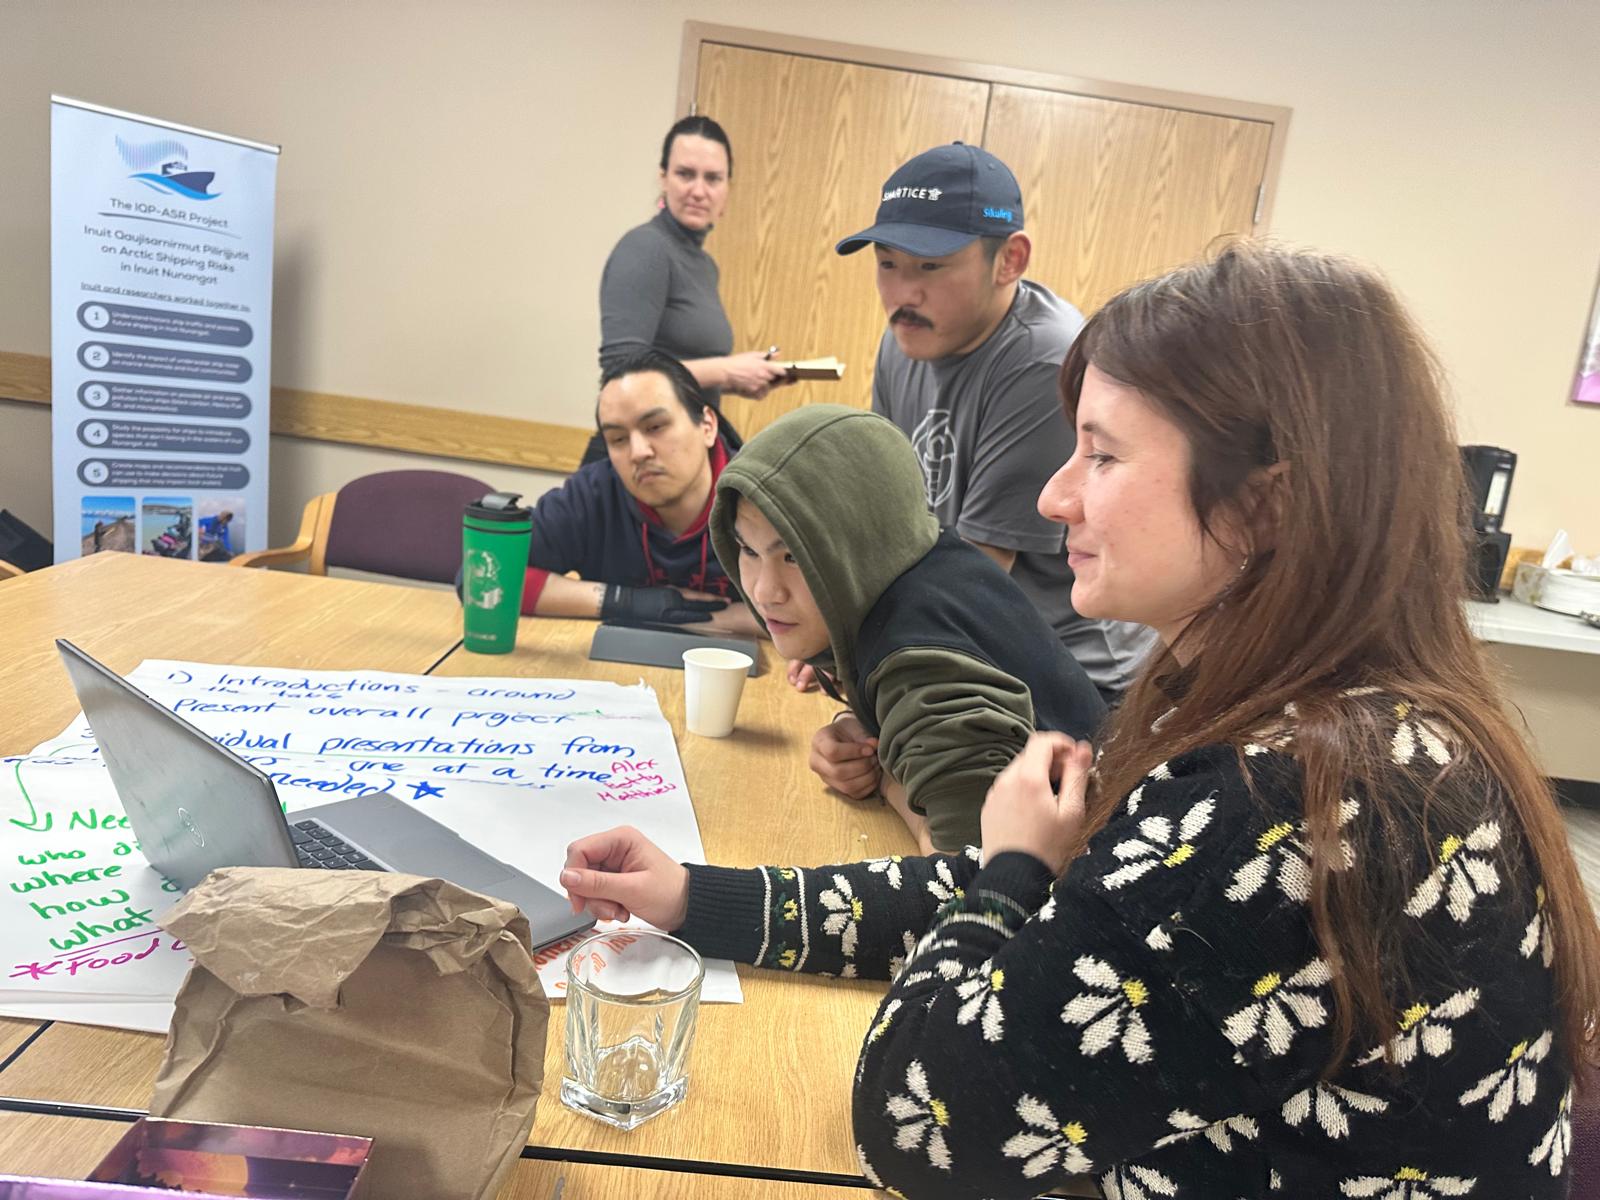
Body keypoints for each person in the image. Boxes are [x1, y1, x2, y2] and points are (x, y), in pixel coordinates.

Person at [561, 243, 1600, 1196]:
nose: (1056, 497)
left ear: (1266, 505)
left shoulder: (1287, 797)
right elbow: (1070, 917)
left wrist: (1010, 872)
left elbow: (914, 1122)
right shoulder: (1338, 721)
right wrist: (698, 897)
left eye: (1100, 456)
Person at [825, 141, 1155, 703]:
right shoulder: (903, 339)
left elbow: (975, 573)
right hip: (967, 639)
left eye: (930, 266)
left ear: (1010, 260)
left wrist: (858, 649)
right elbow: (885, 509)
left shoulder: (1042, 362)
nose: (903, 293)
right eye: (887, 265)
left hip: (1073, 674)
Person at [709, 404, 1104, 852]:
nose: (764, 591)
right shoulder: (933, 563)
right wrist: (861, 727)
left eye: (794, 556)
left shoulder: (918, 664)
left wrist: (883, 776)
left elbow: (969, 870)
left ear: (862, 544)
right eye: (747, 550)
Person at [519, 349, 760, 637]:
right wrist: (624, 602)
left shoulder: (763, 497)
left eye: (656, 427)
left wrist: (725, 620)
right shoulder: (593, 494)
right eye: (618, 439)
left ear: (707, 425)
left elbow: (821, 618)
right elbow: (485, 581)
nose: (638, 452)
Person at [595, 115, 787, 448]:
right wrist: (727, 370)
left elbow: (674, 372)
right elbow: (622, 371)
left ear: (727, 189)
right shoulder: (646, 248)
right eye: (685, 174)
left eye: (713, 178)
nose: (699, 190)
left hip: (685, 452)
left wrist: (737, 379)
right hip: (640, 458)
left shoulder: (704, 265)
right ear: (663, 179)